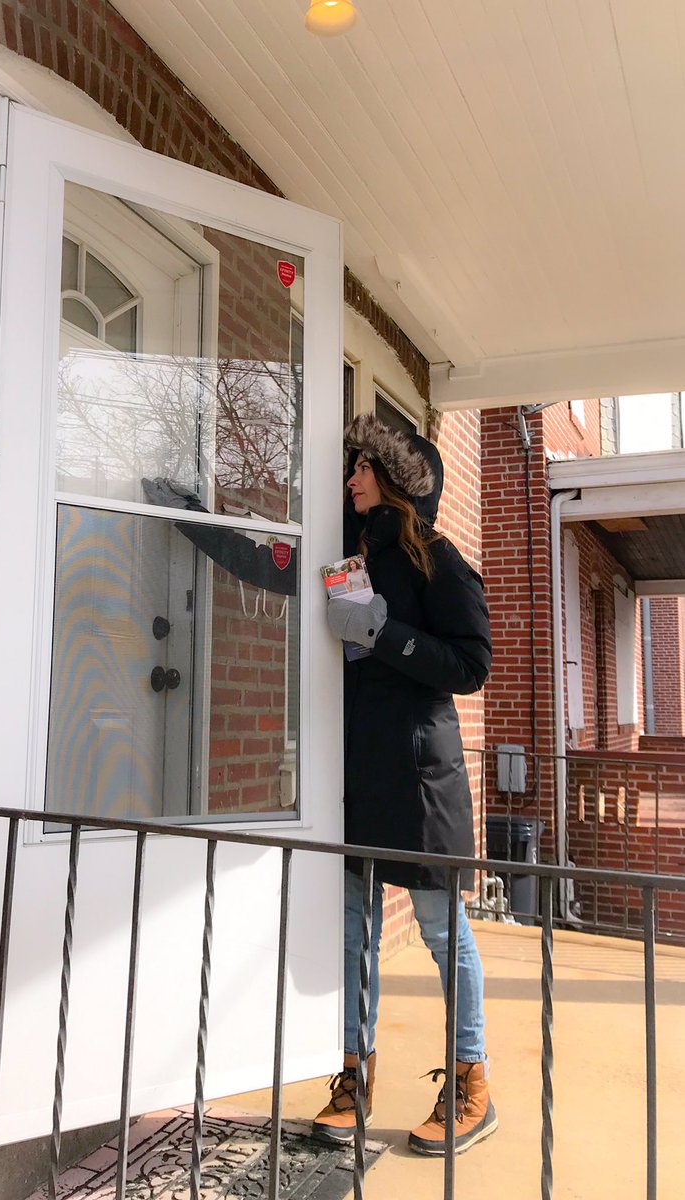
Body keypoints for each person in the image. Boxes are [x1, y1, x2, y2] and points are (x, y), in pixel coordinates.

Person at [311, 413, 497, 1157]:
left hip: (423, 782)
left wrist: (385, 633)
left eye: (361, 468)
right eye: (353, 467)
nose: (351, 478)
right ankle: (356, 1077)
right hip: (358, 777)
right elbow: (274, 568)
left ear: (394, 481)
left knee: (444, 933)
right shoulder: (349, 559)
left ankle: (472, 1083)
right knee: (353, 932)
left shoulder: (440, 561)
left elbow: (472, 664)